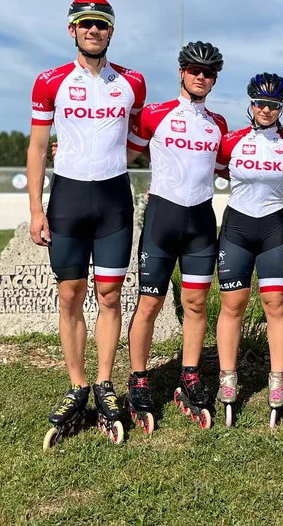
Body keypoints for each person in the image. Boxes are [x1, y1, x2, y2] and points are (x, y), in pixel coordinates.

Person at [28, 0, 146, 447]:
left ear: (111, 31)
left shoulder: (132, 82)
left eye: (101, 24)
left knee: (110, 295)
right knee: (70, 295)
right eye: (85, 24)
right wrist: (36, 208)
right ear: (72, 30)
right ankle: (77, 385)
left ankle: (104, 382)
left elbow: (137, 137)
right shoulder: (50, 81)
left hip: (114, 200)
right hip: (68, 199)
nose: (93, 30)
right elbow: (38, 147)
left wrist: (115, 160)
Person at [125, 41, 227, 430]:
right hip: (162, 220)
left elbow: (228, 168)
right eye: (194, 70)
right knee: (150, 303)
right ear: (182, 71)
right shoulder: (155, 114)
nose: (201, 76)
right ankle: (138, 380)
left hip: (201, 223)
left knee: (197, 303)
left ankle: (189, 375)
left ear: (214, 80)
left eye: (208, 72)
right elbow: (122, 155)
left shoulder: (218, 124)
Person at [213, 73, 283, 427]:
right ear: (251, 104)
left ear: (282, 108)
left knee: (276, 305)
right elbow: (211, 168)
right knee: (232, 305)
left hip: (273, 229)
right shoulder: (231, 140)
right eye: (261, 103)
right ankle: (227, 376)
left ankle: (277, 379)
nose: (266, 110)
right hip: (236, 227)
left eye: (274, 105)